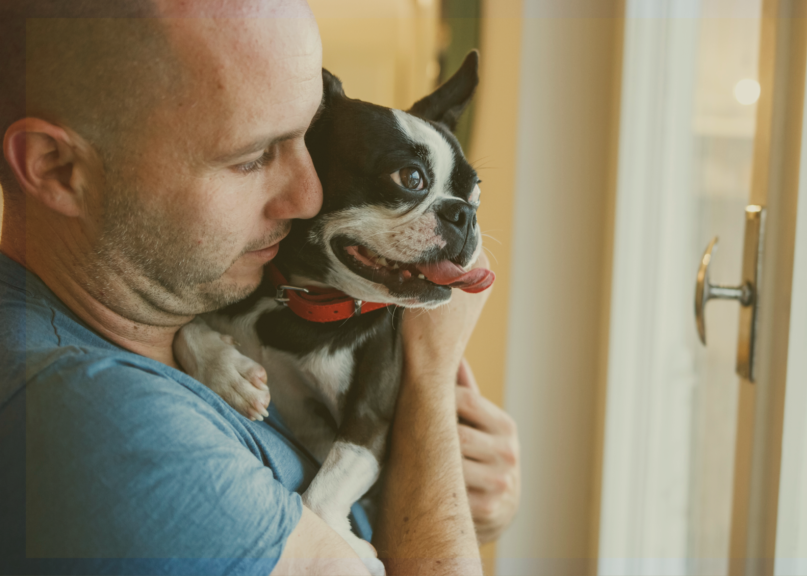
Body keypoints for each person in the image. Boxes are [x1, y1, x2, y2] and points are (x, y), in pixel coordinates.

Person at [0, 1, 520, 574]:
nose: (309, 196)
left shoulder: (200, 319)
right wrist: (431, 376)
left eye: (305, 142)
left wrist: (442, 492)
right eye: (252, 158)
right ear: (56, 168)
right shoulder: (101, 420)